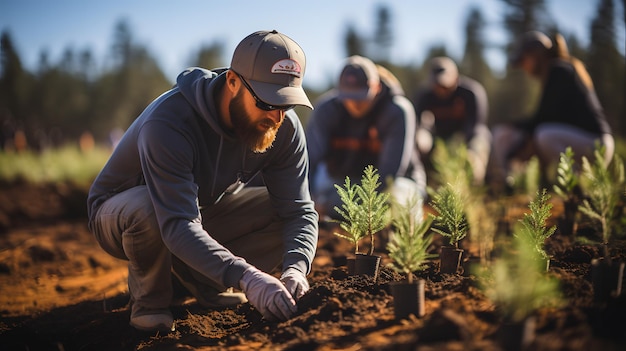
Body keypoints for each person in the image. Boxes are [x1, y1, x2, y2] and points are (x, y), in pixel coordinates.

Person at [87, 30, 319, 333]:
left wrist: (296, 269)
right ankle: (150, 300)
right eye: (266, 102)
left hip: (200, 210)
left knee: (280, 210)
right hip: (125, 213)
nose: (276, 117)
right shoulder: (170, 122)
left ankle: (202, 281)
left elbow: (299, 212)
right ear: (233, 82)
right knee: (148, 208)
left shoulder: (283, 129)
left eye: (286, 104)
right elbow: (177, 222)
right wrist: (247, 277)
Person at [306, 55, 426, 220]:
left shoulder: (396, 111)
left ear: (376, 87)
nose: (355, 103)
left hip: (394, 184)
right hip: (343, 183)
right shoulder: (326, 110)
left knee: (403, 208)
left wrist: (361, 209)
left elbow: (390, 173)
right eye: (348, 96)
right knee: (318, 195)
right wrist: (310, 198)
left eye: (361, 96)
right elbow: (310, 160)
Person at [490, 31, 614, 190]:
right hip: (587, 144)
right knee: (538, 134)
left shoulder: (559, 70)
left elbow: (542, 119)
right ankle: (526, 184)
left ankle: (577, 187)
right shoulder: (559, 71)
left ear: (536, 55)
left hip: (595, 144)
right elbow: (546, 118)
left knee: (544, 135)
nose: (524, 68)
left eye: (523, 61)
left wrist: (514, 150)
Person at [412, 56, 491, 186]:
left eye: (444, 84)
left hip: (468, 137)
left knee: (477, 148)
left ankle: (476, 188)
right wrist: (422, 139)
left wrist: (462, 146)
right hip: (440, 138)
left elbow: (477, 126)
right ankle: (425, 184)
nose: (441, 89)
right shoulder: (425, 96)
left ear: (456, 77)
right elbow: (417, 124)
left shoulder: (471, 92)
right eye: (437, 84)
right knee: (419, 142)